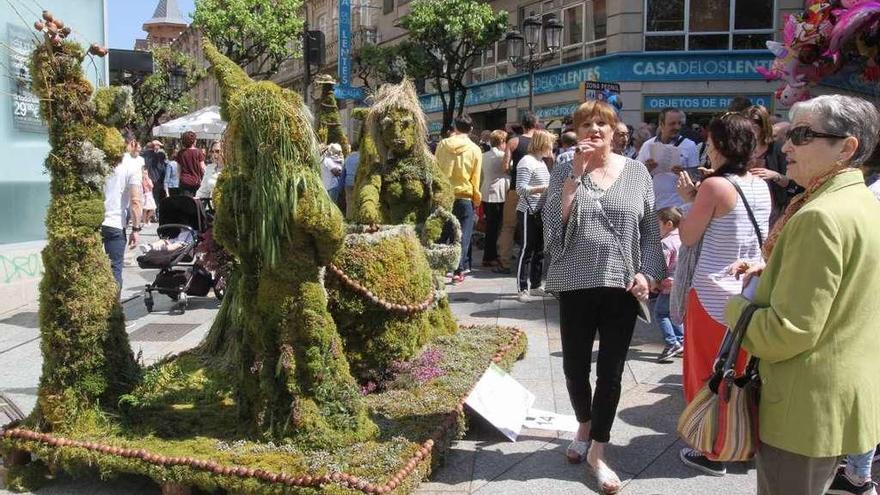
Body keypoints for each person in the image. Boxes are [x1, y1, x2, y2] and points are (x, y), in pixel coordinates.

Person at [725, 95, 880, 495]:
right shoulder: (860, 201)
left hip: (802, 408)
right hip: (832, 398)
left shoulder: (819, 216)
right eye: (791, 134)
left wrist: (734, 306)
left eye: (803, 135)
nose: (786, 146)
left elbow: (788, 332)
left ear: (847, 147)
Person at [543, 100, 664, 494]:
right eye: (585, 124)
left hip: (621, 286)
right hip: (575, 282)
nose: (594, 129)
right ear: (576, 132)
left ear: (615, 131)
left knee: (610, 373)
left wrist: (648, 272)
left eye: (602, 123)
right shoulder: (564, 169)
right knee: (575, 368)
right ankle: (583, 422)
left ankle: (597, 449)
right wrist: (574, 181)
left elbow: (649, 232)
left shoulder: (637, 172)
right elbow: (551, 232)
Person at [674, 112, 771, 476]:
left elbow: (687, 236)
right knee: (740, 373)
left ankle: (712, 449)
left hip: (712, 292)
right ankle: (740, 439)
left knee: (706, 374)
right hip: (747, 291)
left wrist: (688, 199)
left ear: (718, 146)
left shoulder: (714, 188)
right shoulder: (760, 185)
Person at [436, 114, 482, 283]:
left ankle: (439, 267)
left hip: (444, 195)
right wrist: (476, 199)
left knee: (442, 234)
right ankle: (458, 270)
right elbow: (476, 178)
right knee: (463, 236)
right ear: (470, 129)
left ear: (454, 127)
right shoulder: (475, 149)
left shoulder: (442, 144)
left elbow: (436, 168)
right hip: (465, 196)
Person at [742, 105, 802, 226]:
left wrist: (774, 175)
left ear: (763, 127)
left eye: (754, 127)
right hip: (745, 206)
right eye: (747, 127)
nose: (750, 131)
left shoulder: (778, 148)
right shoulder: (741, 148)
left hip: (773, 208)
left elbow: (792, 182)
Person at [496, 113, 538, 274]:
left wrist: (514, 173)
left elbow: (505, 166)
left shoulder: (513, 142)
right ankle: (532, 263)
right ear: (536, 124)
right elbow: (550, 164)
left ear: (522, 125)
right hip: (536, 191)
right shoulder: (541, 142)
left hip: (515, 189)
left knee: (508, 226)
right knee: (533, 227)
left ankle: (504, 262)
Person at [102, 131, 143, 288]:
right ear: (131, 143)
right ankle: (113, 309)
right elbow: (135, 201)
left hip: (94, 222)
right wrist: (136, 228)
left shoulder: (100, 160)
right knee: (114, 270)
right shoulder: (132, 165)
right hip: (115, 224)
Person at [514, 130, 552, 301]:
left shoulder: (541, 162)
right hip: (528, 211)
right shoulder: (526, 162)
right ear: (542, 144)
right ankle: (522, 288)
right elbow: (520, 189)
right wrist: (543, 188)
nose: (552, 147)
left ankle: (535, 285)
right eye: (550, 144)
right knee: (526, 249)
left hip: (540, 212)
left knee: (539, 250)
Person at [637, 108, 701, 210]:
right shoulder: (648, 145)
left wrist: (683, 172)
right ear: (661, 124)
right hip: (652, 207)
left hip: (678, 207)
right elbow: (636, 175)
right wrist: (647, 169)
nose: (677, 127)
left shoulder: (689, 145)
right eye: (672, 124)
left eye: (679, 123)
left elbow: (696, 178)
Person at [655, 206, 684, 362]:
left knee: (661, 313)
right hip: (681, 283)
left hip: (668, 285)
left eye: (658, 224)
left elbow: (662, 266)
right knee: (675, 314)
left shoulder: (666, 243)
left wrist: (656, 281)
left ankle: (672, 343)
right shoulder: (684, 238)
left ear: (669, 224)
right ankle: (682, 340)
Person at [480, 129, 508, 267]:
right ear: (502, 141)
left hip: (486, 191)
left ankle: (490, 254)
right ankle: (491, 255)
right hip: (499, 194)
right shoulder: (503, 156)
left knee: (491, 226)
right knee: (496, 226)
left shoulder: (484, 155)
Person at [177, 131, 205, 197]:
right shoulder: (198, 152)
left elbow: (178, 169)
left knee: (186, 203)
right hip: (196, 181)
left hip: (184, 182)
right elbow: (203, 168)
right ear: (194, 141)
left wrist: (179, 180)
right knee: (196, 203)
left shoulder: (180, 153)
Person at [143, 140, 167, 210]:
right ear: (155, 147)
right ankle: (154, 214)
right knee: (155, 198)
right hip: (157, 179)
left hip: (145, 179)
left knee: (145, 198)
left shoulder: (142, 156)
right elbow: (162, 167)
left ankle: (146, 214)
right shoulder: (159, 156)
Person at [344, 142, 360, 217]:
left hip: (348, 182)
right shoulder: (360, 157)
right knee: (357, 201)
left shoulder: (347, 158)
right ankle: (356, 218)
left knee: (349, 202)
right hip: (357, 182)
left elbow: (344, 170)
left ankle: (349, 218)